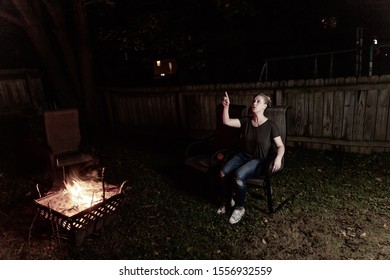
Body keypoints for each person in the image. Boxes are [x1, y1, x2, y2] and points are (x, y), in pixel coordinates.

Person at [217, 91, 285, 224]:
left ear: (265, 106)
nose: (254, 103)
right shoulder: (246, 121)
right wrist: (226, 107)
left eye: (258, 101)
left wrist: (278, 157)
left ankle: (239, 207)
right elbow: (226, 121)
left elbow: (281, 146)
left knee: (239, 176)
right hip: (242, 156)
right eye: (254, 100)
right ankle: (227, 199)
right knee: (222, 172)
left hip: (258, 160)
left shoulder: (271, 125)